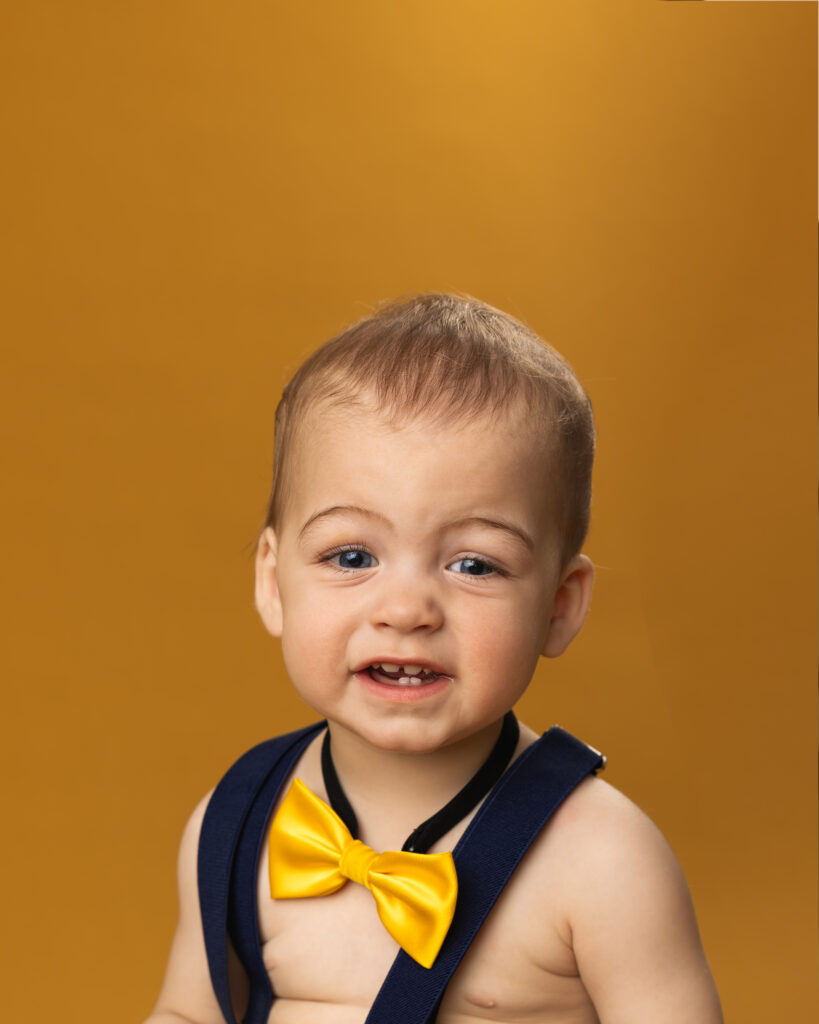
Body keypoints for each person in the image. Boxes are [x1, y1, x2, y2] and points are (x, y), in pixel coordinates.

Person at [145, 294, 723, 1024]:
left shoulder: (603, 861)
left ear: (559, 605)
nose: (406, 609)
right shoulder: (236, 821)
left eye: (475, 565)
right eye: (352, 556)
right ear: (272, 582)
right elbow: (189, 1014)